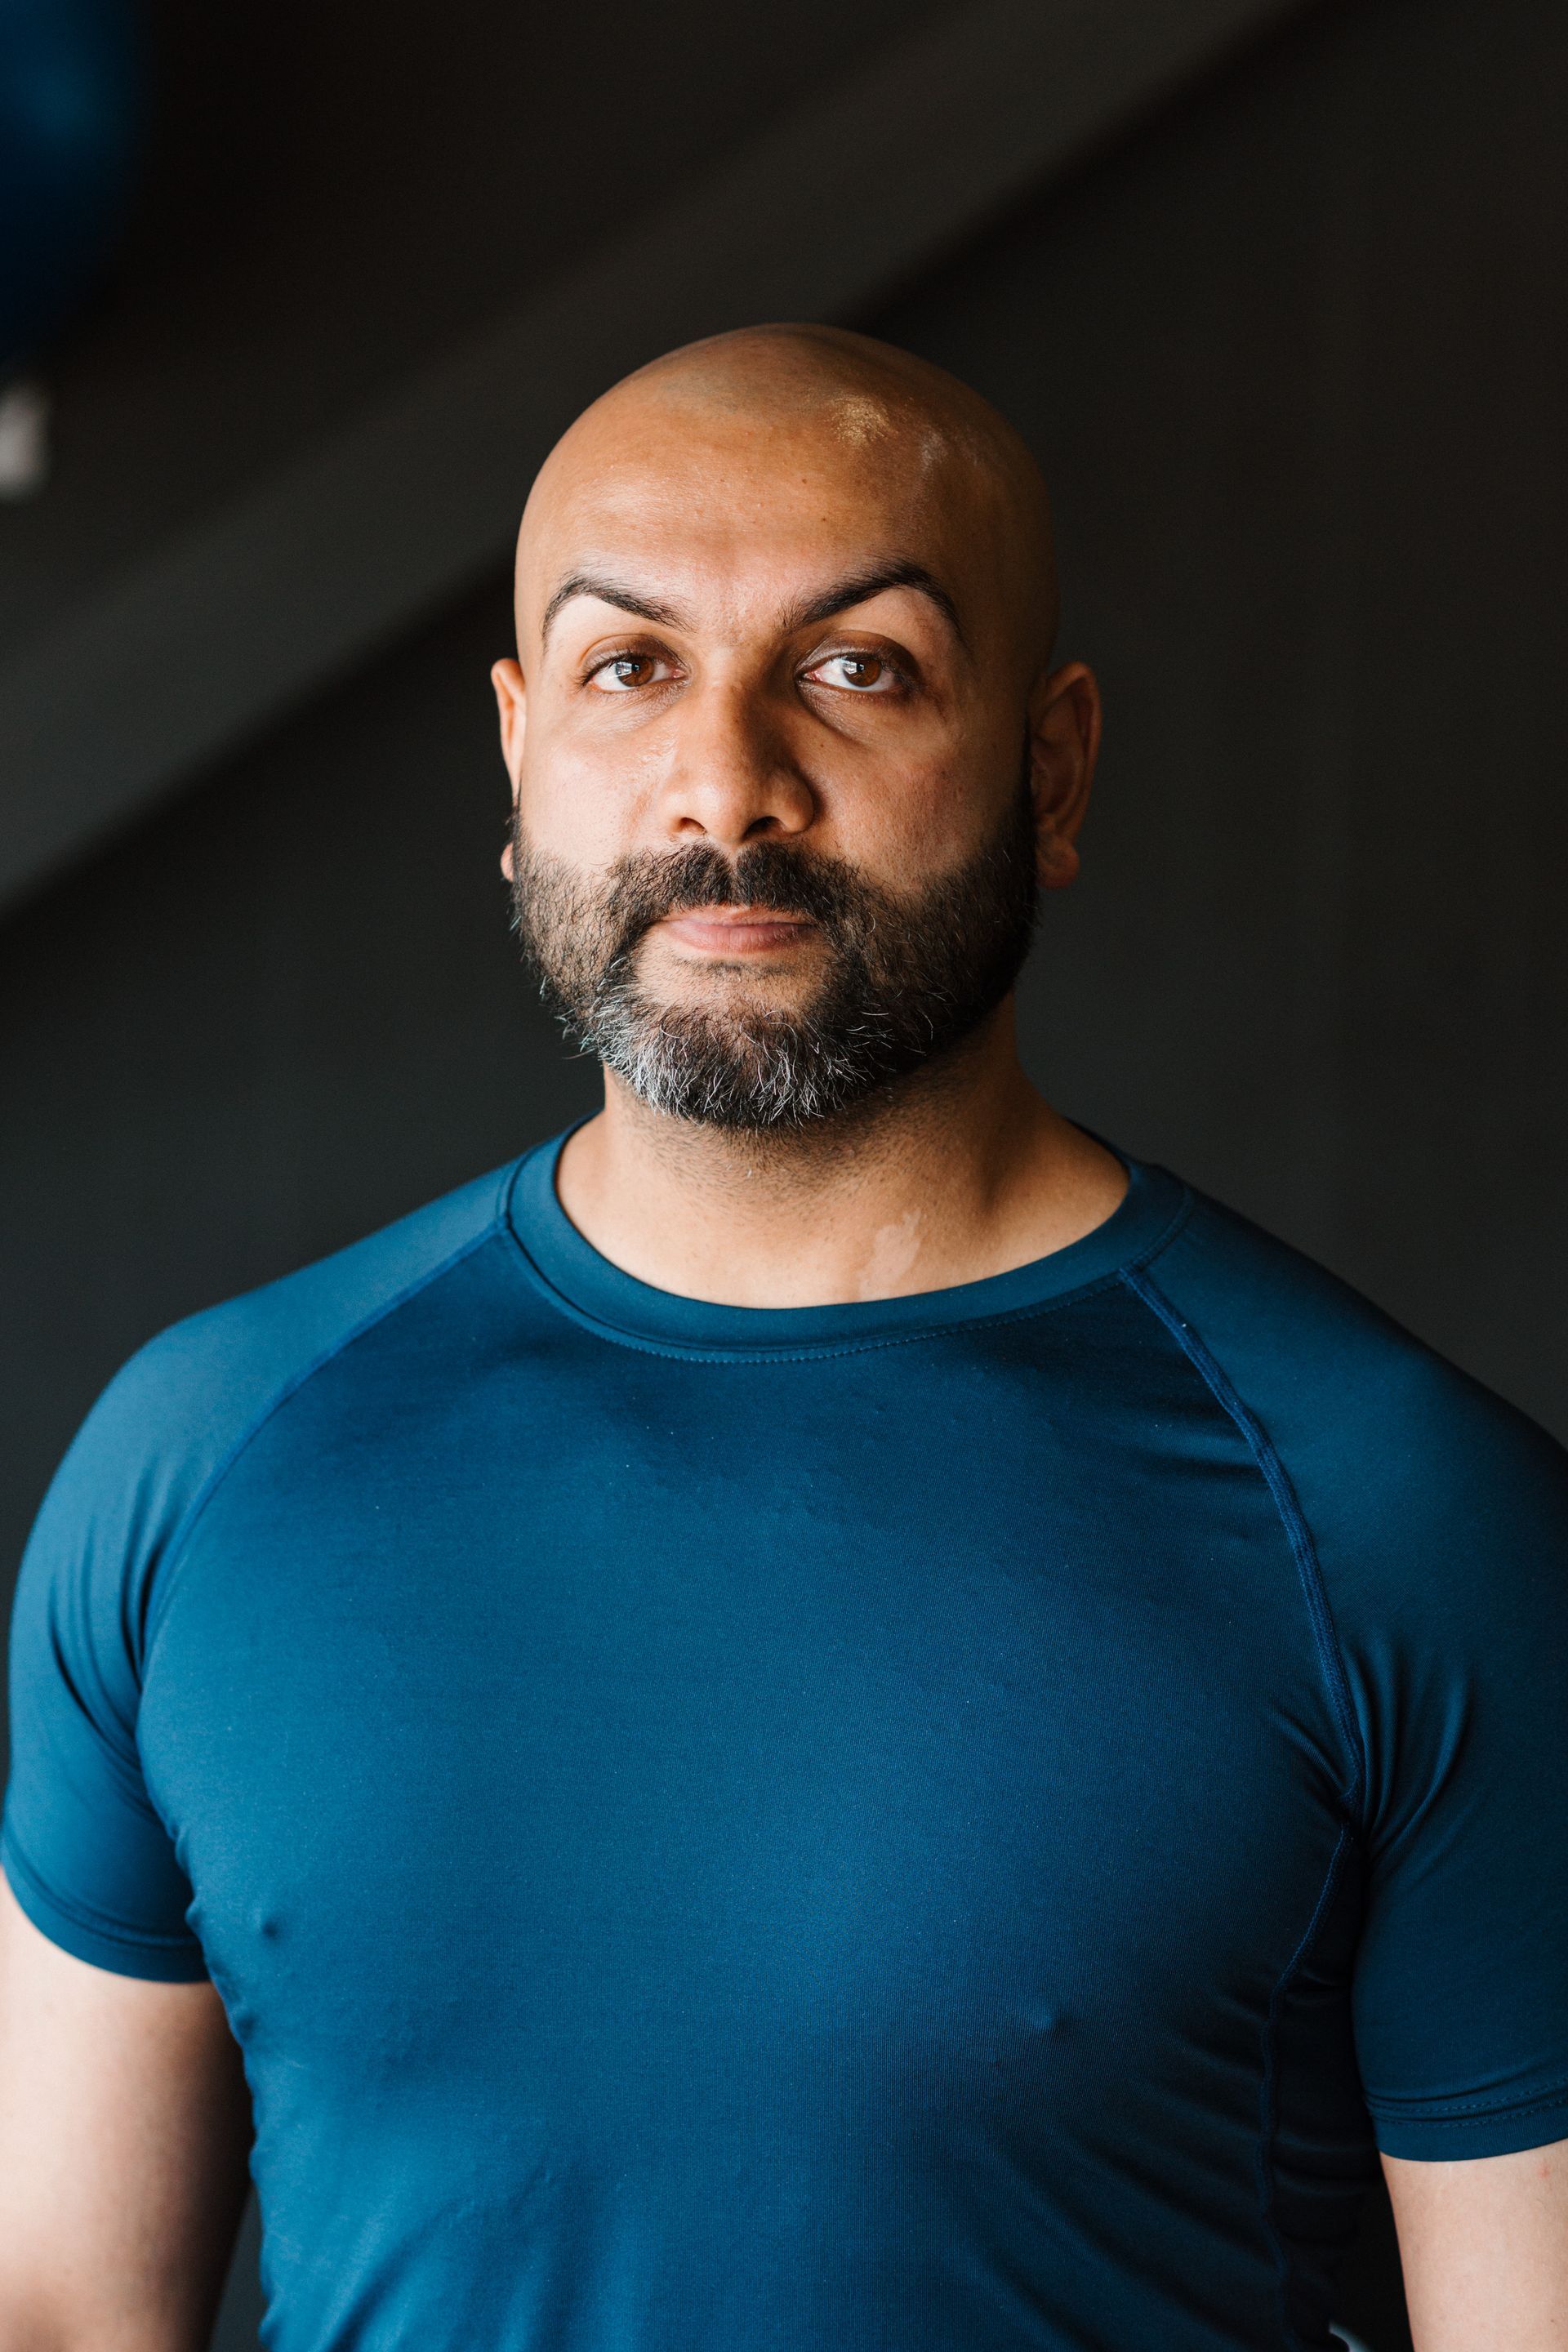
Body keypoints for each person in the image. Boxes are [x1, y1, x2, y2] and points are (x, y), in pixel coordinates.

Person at [1, 324, 1564, 2352]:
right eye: (628, 666)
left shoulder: (1402, 1519)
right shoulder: (199, 1463)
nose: (724, 777)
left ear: (1053, 765)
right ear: (518, 756)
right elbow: (57, 2302)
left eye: (860, 666)